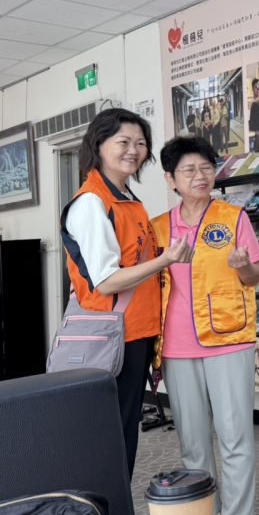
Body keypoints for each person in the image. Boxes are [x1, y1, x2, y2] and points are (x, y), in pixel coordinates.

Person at [61, 108, 193, 479]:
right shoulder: (92, 202)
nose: (133, 150)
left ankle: (113, 514)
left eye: (140, 143)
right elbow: (106, 281)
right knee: (110, 438)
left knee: (121, 436)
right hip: (113, 334)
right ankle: (104, 514)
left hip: (134, 332)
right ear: (99, 145)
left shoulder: (126, 199)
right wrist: (165, 260)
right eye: (123, 142)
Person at [151, 135, 259, 515]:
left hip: (228, 339)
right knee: (193, 443)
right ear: (171, 179)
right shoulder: (158, 228)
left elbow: (253, 276)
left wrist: (242, 266)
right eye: (189, 170)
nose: (200, 176)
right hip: (177, 347)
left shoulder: (233, 218)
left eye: (205, 168)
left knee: (235, 437)